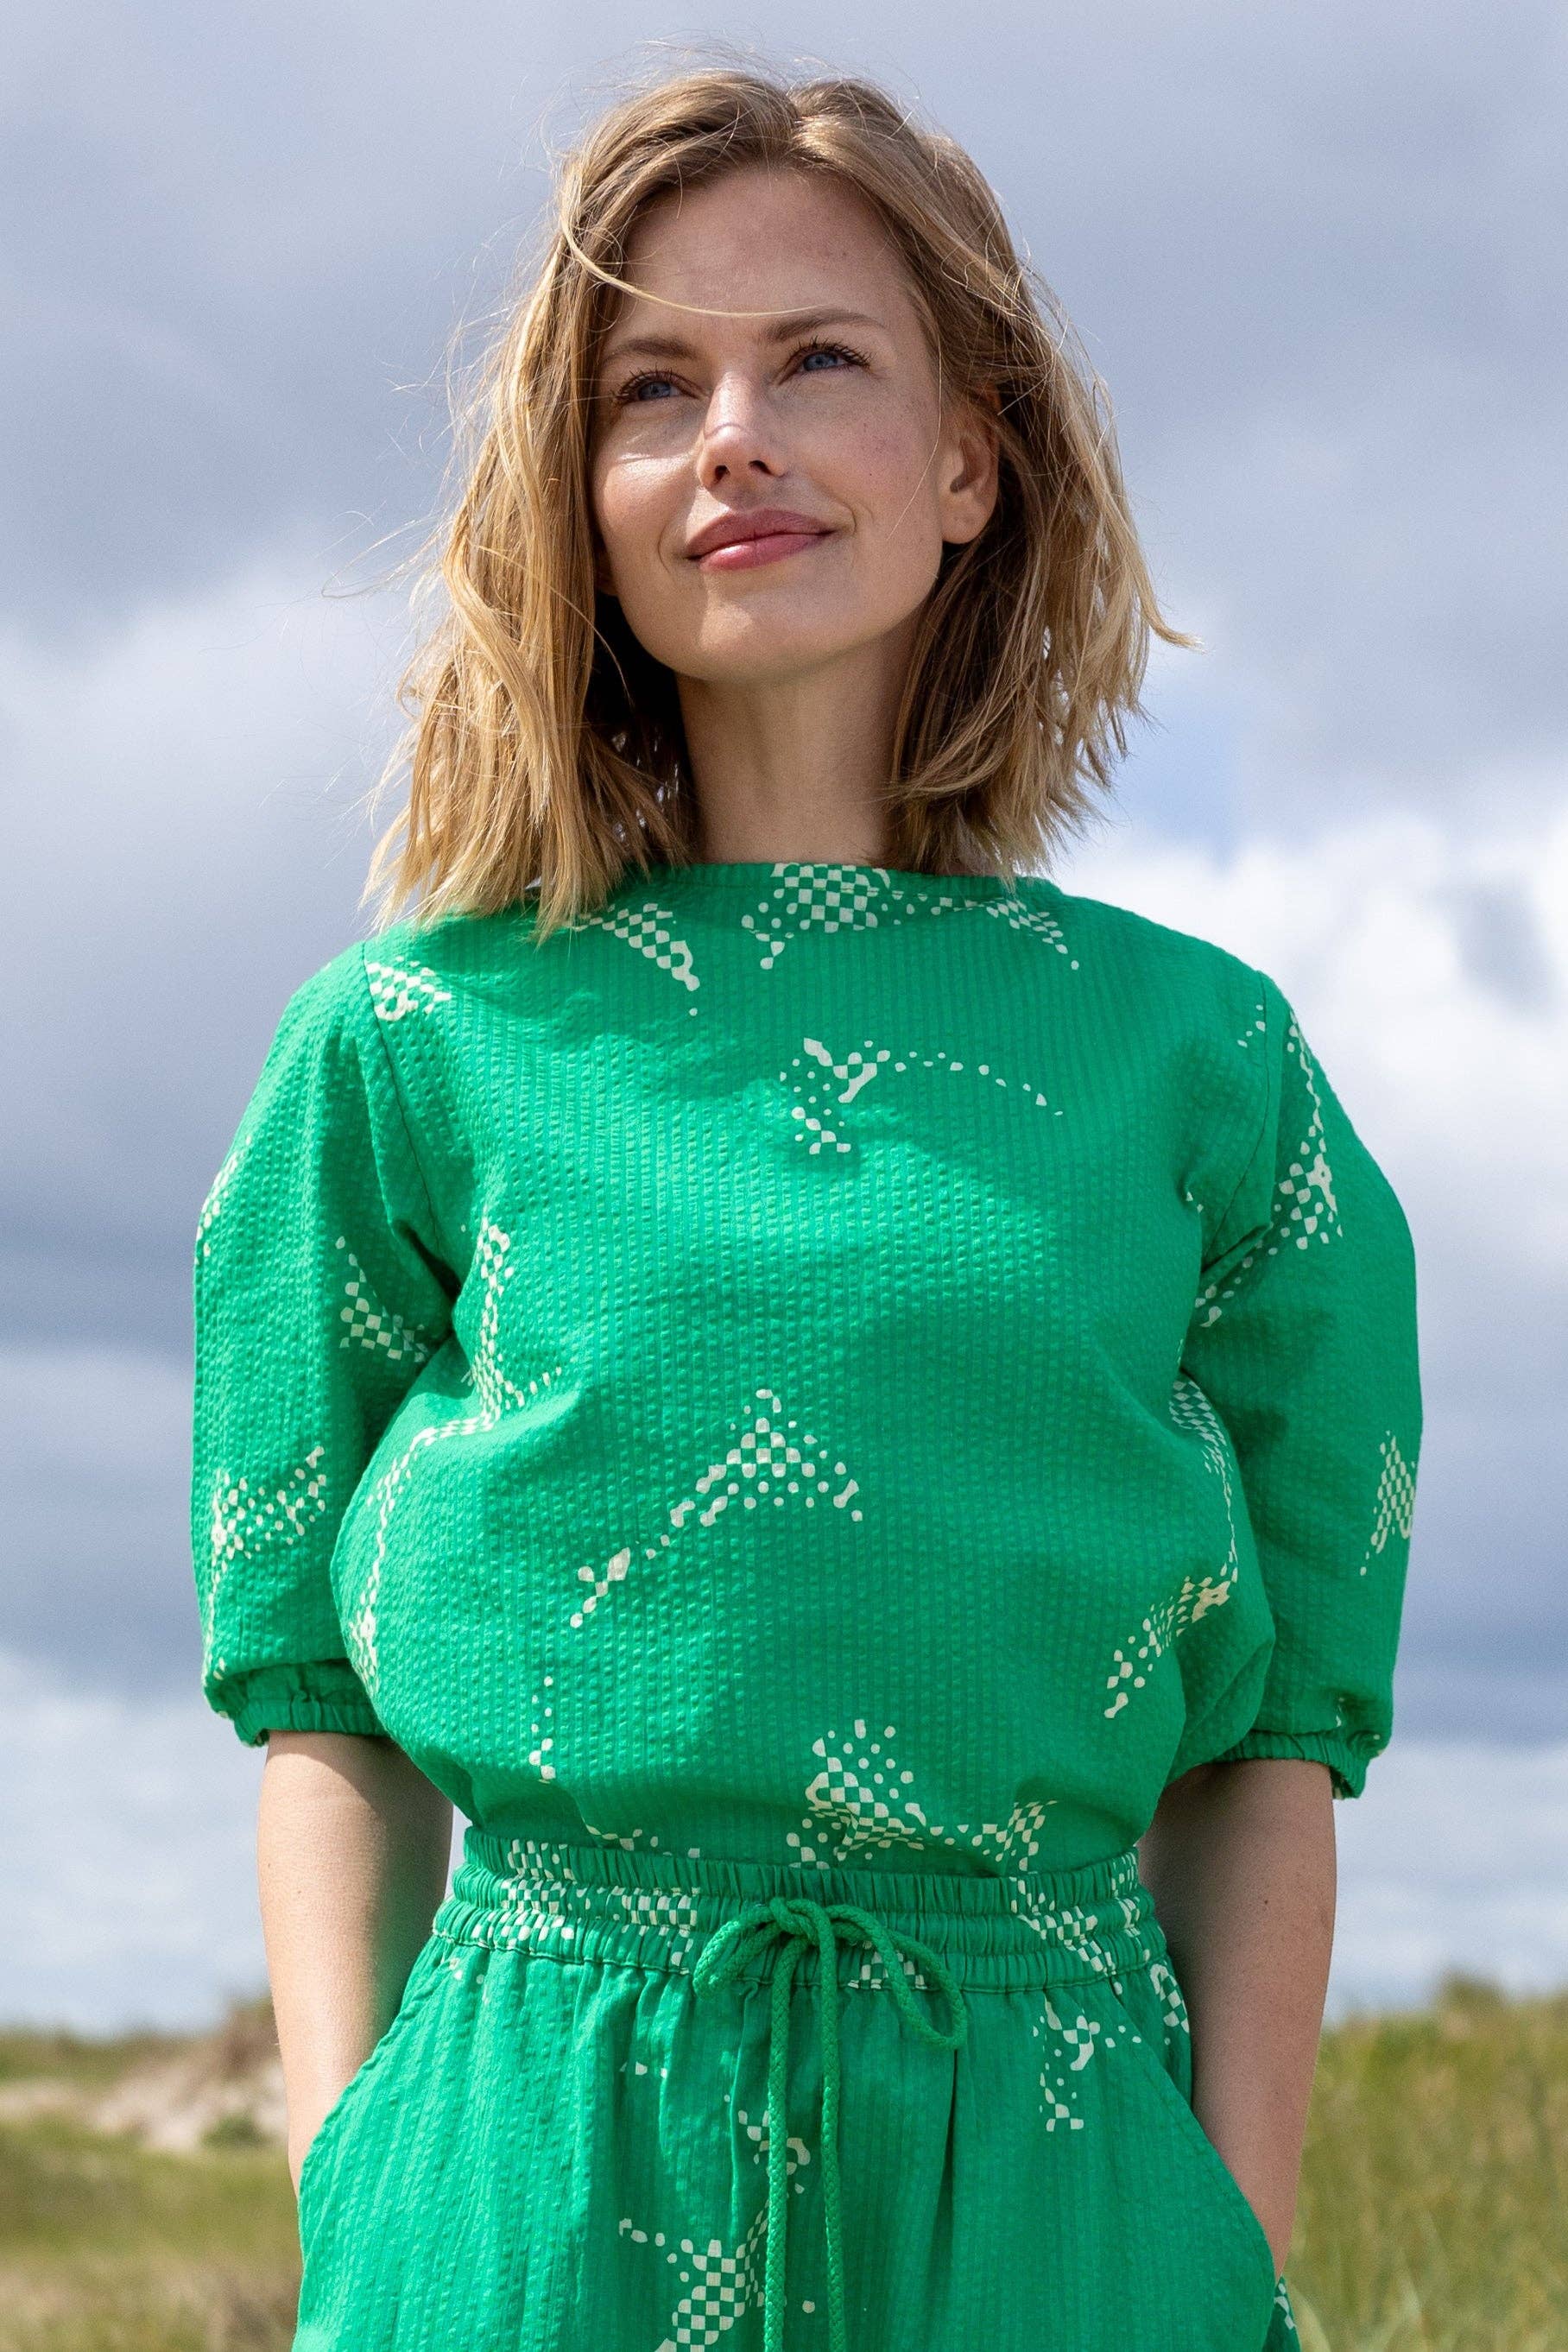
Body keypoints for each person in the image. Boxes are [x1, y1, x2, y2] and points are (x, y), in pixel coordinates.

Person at [189, 60, 1423, 2352]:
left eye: (818, 360)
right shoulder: (405, 1042)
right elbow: (314, 1696)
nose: (730, 438)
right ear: (582, 498)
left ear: (971, 462)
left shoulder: (1202, 1061)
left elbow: (1271, 1739)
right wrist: (360, 2179)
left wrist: (1223, 2235)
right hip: (526, 2186)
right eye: (652, 389)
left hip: (1057, 2200)